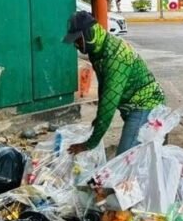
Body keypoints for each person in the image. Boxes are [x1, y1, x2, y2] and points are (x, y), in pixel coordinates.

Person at [63, 10, 166, 156]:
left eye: (78, 40)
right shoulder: (98, 51)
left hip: (146, 105)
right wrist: (98, 120)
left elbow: (109, 102)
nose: (76, 45)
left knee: (124, 159)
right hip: (132, 106)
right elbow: (103, 87)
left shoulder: (115, 57)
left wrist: (90, 143)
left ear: (89, 34)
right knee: (141, 158)